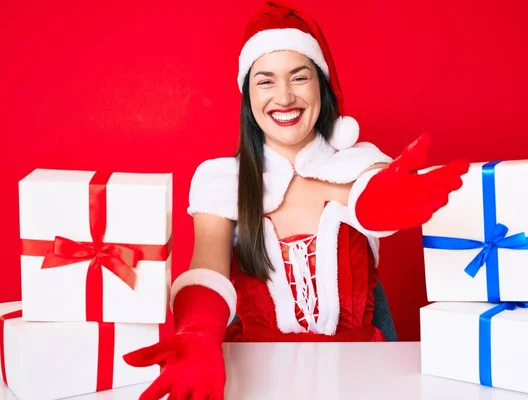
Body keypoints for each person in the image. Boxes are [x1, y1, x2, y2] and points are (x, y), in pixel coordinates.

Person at [123, 1, 469, 399]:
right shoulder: (222, 181)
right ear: (247, 96)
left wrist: (383, 202)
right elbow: (208, 268)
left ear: (321, 84)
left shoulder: (359, 164)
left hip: (363, 377)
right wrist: (198, 334)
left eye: (299, 77)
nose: (283, 96)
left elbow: (370, 199)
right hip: (254, 376)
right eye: (265, 81)